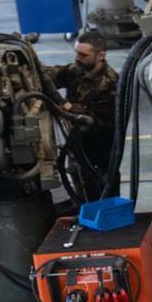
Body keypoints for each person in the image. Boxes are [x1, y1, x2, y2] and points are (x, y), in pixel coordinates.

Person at [45, 31, 120, 199]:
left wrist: (67, 106)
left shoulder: (110, 83)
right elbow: (53, 75)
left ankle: (107, 211)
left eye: (83, 54)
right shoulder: (77, 69)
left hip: (100, 142)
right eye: (76, 52)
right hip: (77, 137)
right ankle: (84, 206)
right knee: (77, 173)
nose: (77, 58)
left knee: (103, 178)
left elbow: (99, 119)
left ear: (100, 55)